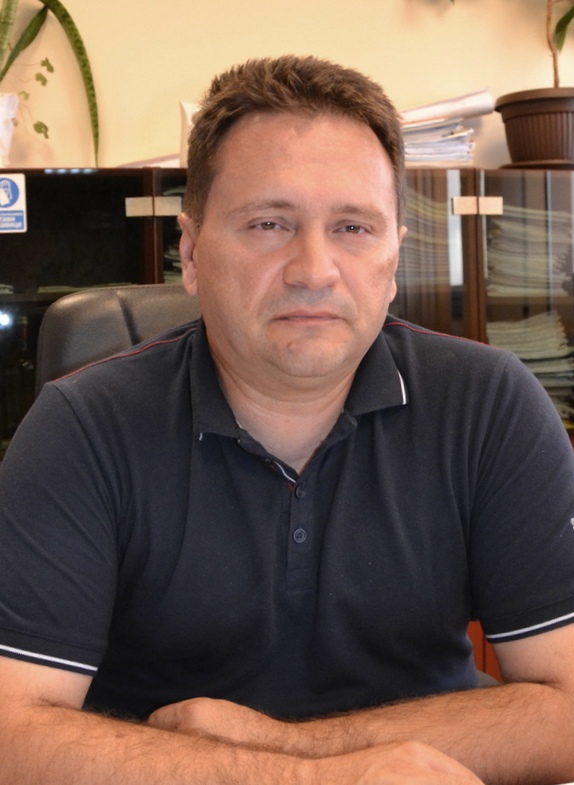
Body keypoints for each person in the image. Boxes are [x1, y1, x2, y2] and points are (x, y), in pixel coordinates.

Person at [1, 54, 574, 785]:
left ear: (394, 260)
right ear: (191, 254)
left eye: (353, 227)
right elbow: (12, 733)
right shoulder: (82, 429)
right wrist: (315, 780)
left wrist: (285, 745)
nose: (314, 269)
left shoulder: (489, 405)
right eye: (269, 223)